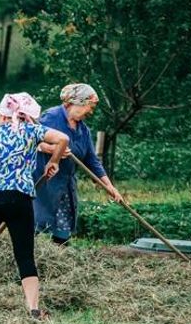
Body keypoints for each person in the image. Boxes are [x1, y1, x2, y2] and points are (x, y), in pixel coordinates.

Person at [0, 93, 69, 320]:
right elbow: (62, 139)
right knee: (24, 255)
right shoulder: (31, 132)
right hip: (17, 198)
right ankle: (33, 308)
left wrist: (43, 152)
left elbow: (12, 149)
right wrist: (54, 161)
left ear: (3, 115)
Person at [33, 83, 123, 244]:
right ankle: (30, 259)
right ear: (77, 102)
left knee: (62, 230)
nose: (91, 111)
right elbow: (32, 142)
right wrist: (54, 148)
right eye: (90, 106)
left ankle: (59, 261)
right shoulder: (51, 117)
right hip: (44, 183)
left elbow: (92, 160)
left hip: (65, 186)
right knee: (38, 224)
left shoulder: (83, 130)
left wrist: (109, 187)